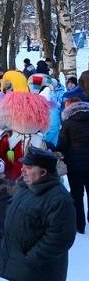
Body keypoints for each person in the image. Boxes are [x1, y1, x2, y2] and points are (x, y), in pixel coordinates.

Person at [0, 147, 76, 281]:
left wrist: (31, 258)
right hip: (21, 271)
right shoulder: (25, 187)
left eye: (29, 167)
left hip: (41, 279)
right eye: (23, 166)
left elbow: (60, 238)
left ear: (44, 173)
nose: (23, 170)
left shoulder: (59, 199)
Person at [57, 98, 89, 234]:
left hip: (74, 165)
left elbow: (62, 146)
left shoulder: (67, 124)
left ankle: (79, 226)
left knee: (77, 195)